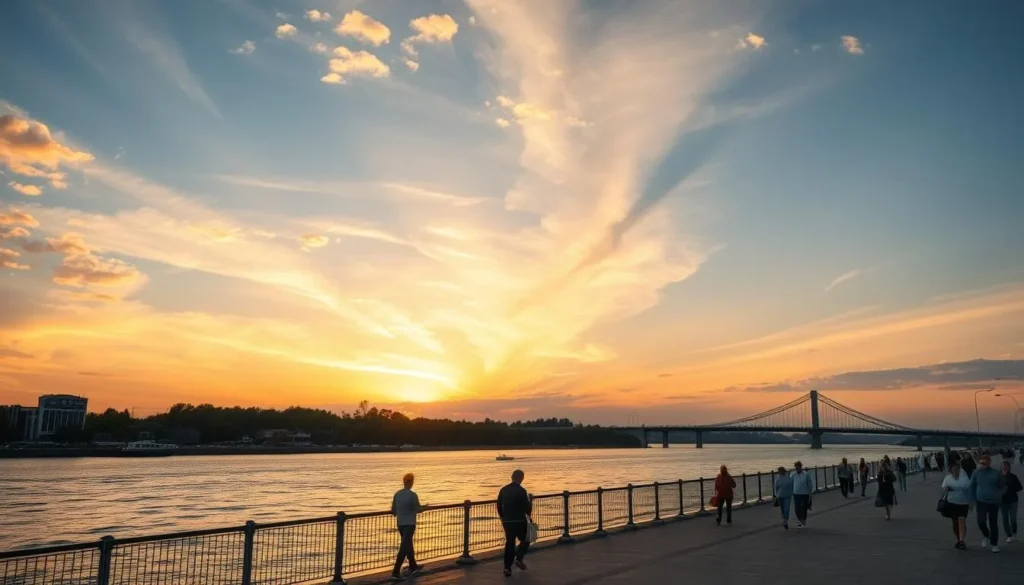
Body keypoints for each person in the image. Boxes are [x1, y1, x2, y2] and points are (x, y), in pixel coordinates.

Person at [390, 473, 426, 581]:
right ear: (411, 482)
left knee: (408, 544)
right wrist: (425, 507)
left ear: (403, 482)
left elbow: (393, 510)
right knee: (404, 547)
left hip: (400, 523)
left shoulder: (397, 494)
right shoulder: (413, 495)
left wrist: (401, 511)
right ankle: (395, 572)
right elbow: (417, 509)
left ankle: (413, 565)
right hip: (410, 523)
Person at [497, 469, 532, 577]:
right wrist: (530, 500)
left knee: (510, 544)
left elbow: (498, 505)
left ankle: (507, 568)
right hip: (520, 521)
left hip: (507, 521)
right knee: (527, 539)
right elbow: (527, 509)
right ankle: (519, 559)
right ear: (521, 478)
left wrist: (503, 517)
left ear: (511, 477)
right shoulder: (521, 491)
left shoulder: (503, 490)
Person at [969, 454, 1002, 552]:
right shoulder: (976, 473)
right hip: (981, 501)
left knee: (993, 523)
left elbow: (1002, 486)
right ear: (979, 463)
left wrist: (999, 497)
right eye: (982, 463)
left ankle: (994, 544)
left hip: (993, 502)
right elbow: (971, 486)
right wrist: (972, 500)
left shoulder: (995, 473)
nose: (984, 465)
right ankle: (986, 535)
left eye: (985, 463)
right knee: (981, 521)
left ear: (989, 463)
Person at [942, 461, 972, 549]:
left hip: (963, 503)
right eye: (954, 469)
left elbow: (969, 490)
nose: (956, 471)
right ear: (951, 470)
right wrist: (946, 489)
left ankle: (962, 540)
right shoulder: (947, 478)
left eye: (957, 469)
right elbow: (943, 490)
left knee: (962, 521)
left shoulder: (965, 478)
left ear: (960, 469)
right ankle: (959, 539)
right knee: (955, 523)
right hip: (952, 503)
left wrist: (971, 503)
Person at [1000, 460, 1023, 544]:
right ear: (1001, 467)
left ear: (1009, 467)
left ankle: (1014, 533)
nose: (1004, 467)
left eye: (1006, 466)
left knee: (1013, 518)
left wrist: (1010, 488)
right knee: (1005, 519)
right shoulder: (998, 477)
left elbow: (1020, 487)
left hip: (1013, 500)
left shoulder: (1013, 476)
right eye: (1003, 466)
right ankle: (1009, 535)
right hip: (1002, 502)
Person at [791, 461, 815, 528]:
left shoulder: (806, 474)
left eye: (798, 467)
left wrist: (810, 494)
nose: (797, 468)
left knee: (804, 508)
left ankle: (803, 519)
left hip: (805, 493)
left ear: (801, 467)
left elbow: (809, 485)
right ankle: (801, 520)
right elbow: (791, 484)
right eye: (796, 467)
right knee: (797, 508)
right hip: (796, 494)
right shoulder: (792, 475)